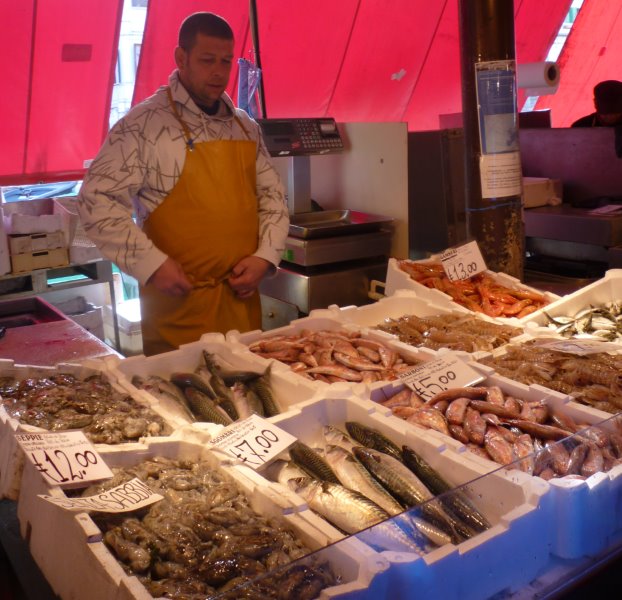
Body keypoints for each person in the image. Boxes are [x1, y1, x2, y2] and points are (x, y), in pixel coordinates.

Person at [77, 12, 289, 356]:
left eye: (225, 61)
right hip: (179, 309)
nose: (219, 72)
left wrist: (265, 257)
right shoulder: (143, 125)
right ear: (181, 58)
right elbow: (95, 200)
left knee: (250, 400)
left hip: (241, 302)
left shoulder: (245, 127)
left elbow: (273, 198)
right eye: (207, 60)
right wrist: (150, 264)